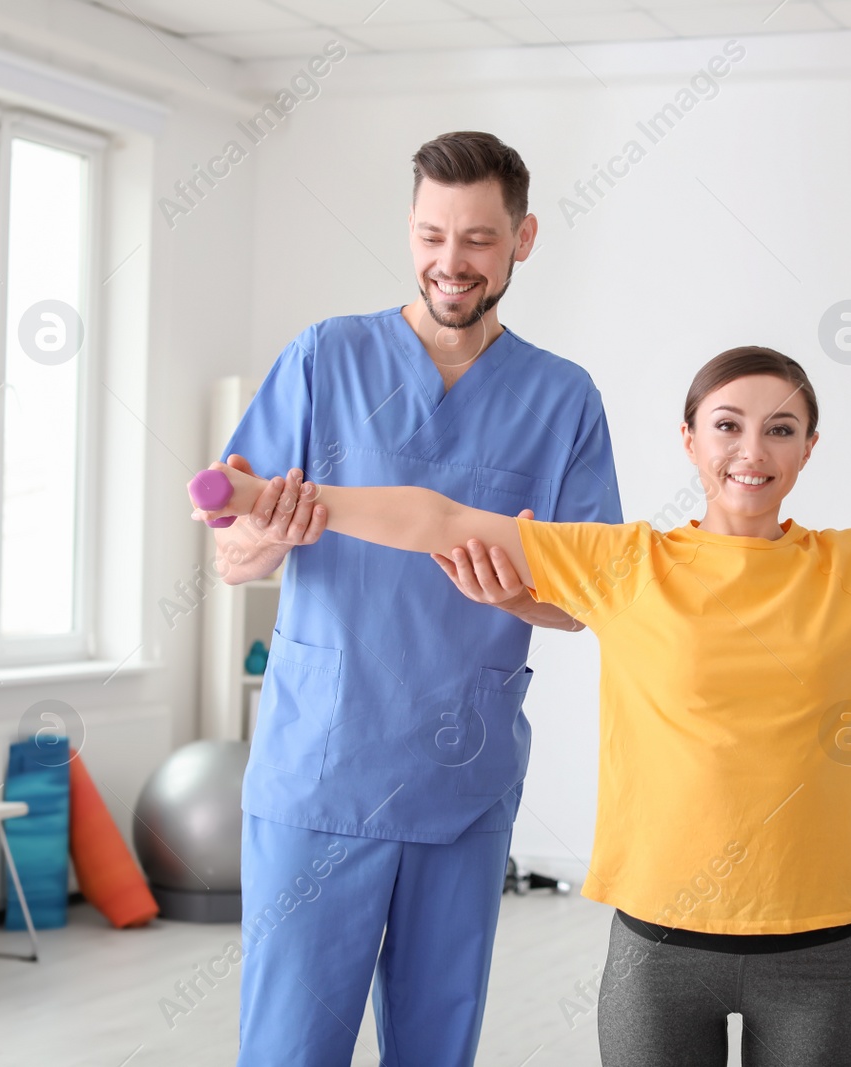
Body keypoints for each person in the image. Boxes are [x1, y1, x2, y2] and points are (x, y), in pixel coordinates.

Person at [192, 345, 851, 1066]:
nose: (752, 449)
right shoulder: (624, 563)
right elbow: (432, 514)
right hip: (658, 947)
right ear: (691, 439)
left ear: (807, 448)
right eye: (729, 424)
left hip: (816, 951)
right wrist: (277, 501)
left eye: (781, 428)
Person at [212, 131, 621, 1067]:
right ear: (410, 229)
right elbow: (234, 558)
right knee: (289, 1048)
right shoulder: (326, 357)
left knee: (437, 1046)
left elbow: (589, 601)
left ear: (522, 239)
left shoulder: (563, 399)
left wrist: (518, 596)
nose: (451, 262)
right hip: (322, 771)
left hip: (458, 780)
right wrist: (270, 529)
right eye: (432, 235)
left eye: (478, 239)